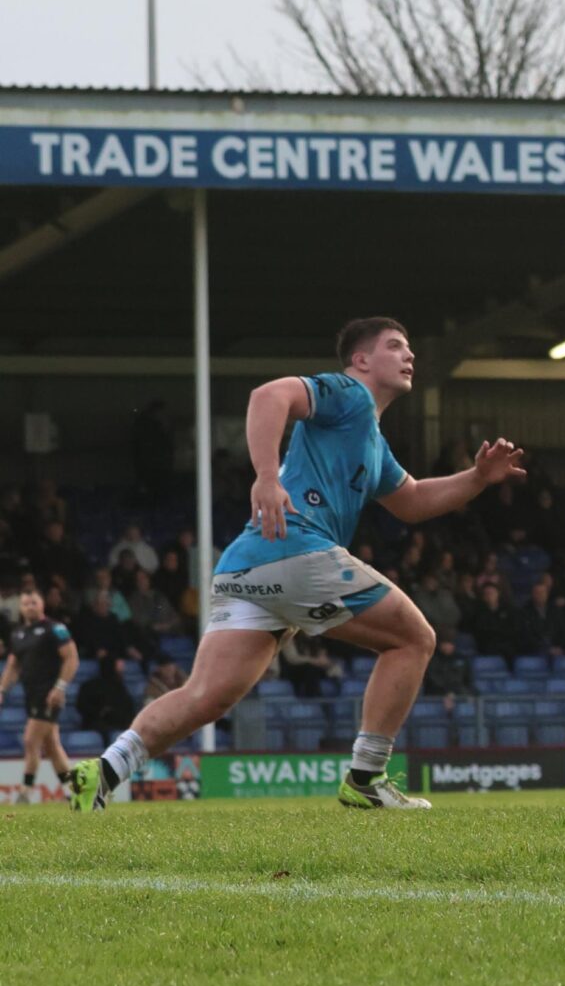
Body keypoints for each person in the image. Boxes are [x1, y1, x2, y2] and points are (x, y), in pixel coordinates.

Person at [71, 318, 526, 812]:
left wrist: (477, 478)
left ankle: (103, 770)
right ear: (361, 361)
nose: (409, 355)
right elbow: (269, 395)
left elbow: (412, 500)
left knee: (206, 696)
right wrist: (265, 477)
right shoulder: (348, 393)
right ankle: (366, 777)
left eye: (410, 348)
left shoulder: (370, 437)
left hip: (247, 564)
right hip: (294, 548)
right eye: (395, 347)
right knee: (414, 639)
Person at [3, 591, 77, 799]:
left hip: (49, 694)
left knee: (30, 740)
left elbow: (71, 658)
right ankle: (75, 791)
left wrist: (60, 687)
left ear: (42, 604)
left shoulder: (55, 629)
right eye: (26, 603)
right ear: (20, 607)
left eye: (34, 602)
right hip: (31, 694)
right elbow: (13, 665)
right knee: (52, 745)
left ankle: (25, 792)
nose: (30, 607)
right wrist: (2, 689)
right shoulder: (18, 634)